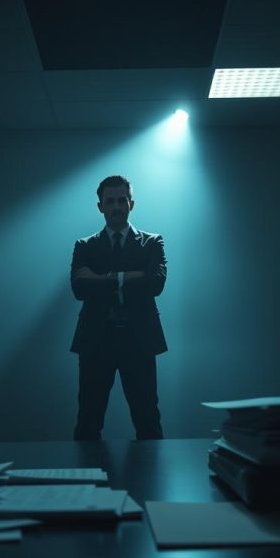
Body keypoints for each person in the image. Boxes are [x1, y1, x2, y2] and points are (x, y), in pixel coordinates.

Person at [70, 175, 167, 440]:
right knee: (88, 419)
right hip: (96, 340)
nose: (116, 206)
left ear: (131, 204)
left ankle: (150, 481)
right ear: (100, 206)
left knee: (148, 418)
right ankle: (83, 481)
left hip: (139, 339)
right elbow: (79, 288)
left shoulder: (152, 242)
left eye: (121, 200)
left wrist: (102, 278)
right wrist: (129, 277)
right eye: (110, 201)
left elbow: (155, 284)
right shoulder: (85, 246)